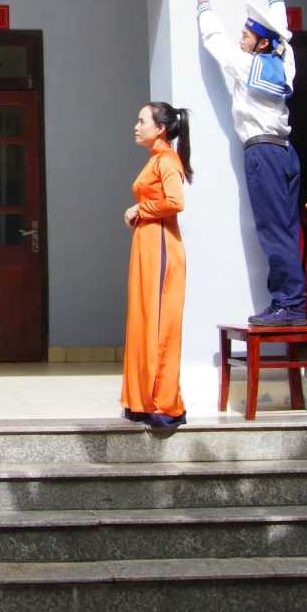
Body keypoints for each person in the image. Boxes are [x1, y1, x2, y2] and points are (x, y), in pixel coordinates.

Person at [187, 0, 307, 327]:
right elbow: (282, 31)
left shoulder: (245, 65)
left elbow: (215, 40)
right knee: (286, 227)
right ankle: (290, 300)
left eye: (247, 36)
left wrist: (204, 0)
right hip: (286, 151)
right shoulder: (283, 62)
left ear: (258, 45)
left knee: (273, 229)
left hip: (263, 154)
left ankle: (289, 303)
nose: (241, 39)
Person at [121, 102, 193, 429]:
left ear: (160, 128)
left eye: (141, 121)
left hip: (162, 246)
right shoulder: (156, 159)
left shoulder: (166, 160)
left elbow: (176, 202)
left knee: (160, 323)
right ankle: (140, 400)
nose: (136, 126)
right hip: (148, 245)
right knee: (143, 319)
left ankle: (166, 404)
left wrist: (141, 209)